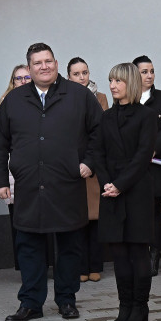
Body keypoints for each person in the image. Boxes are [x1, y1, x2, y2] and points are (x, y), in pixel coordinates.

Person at [0, 43, 103, 321]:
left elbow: (100, 134)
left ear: (56, 63)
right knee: (29, 247)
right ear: (29, 68)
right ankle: (31, 303)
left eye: (48, 61)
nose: (44, 66)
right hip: (28, 187)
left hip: (67, 184)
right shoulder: (14, 101)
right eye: (37, 63)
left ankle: (66, 299)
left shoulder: (78, 96)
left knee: (68, 246)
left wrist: (89, 163)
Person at [94, 63, 157, 321]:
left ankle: (140, 308)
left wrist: (120, 184)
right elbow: (97, 152)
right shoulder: (106, 117)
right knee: (118, 255)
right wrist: (107, 183)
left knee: (137, 253)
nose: (112, 85)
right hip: (111, 193)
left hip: (136, 192)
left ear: (129, 82)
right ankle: (124, 307)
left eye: (118, 81)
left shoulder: (147, 116)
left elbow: (143, 156)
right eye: (110, 80)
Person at [67, 57, 109, 283]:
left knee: (95, 218)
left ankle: (95, 265)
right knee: (77, 220)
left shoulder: (100, 98)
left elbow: (103, 131)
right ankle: (80, 266)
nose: (82, 77)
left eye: (85, 72)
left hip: (94, 167)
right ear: (68, 77)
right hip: (72, 167)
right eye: (77, 73)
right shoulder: (63, 98)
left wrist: (91, 162)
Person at [134, 55, 161, 276]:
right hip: (134, 167)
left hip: (156, 165)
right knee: (137, 211)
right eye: (144, 72)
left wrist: (151, 150)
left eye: (151, 71)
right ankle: (139, 254)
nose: (149, 75)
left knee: (154, 211)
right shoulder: (128, 98)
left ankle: (154, 255)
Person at [0, 64, 33, 269]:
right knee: (17, 216)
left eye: (26, 77)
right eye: (18, 78)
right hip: (15, 165)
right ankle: (22, 265)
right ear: (12, 82)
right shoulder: (7, 103)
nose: (22, 81)